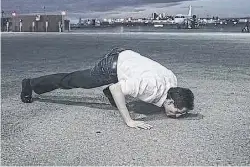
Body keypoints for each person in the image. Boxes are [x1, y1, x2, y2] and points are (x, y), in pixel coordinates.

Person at [21, 48, 194, 130]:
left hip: (125, 58)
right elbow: (120, 88)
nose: (177, 116)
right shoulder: (150, 88)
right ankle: (30, 83)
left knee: (118, 89)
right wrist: (129, 121)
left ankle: (109, 90)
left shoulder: (173, 81)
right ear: (170, 100)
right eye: (177, 111)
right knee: (72, 80)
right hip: (111, 66)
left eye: (182, 114)